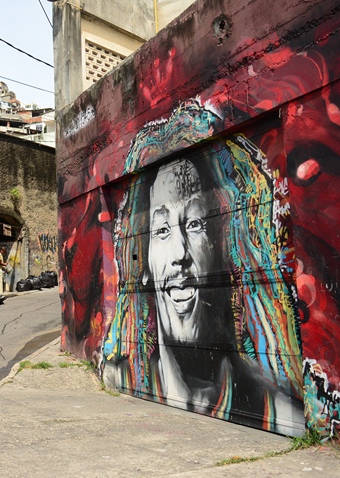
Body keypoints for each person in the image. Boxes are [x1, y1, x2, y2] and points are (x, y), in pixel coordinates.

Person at [102, 100, 302, 433]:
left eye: (196, 224)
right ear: (145, 264)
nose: (179, 253)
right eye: (162, 230)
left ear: (226, 250)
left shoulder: (280, 413)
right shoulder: (118, 376)